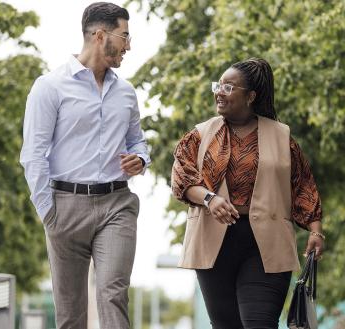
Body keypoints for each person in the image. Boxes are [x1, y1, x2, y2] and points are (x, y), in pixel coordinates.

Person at [19, 3, 149, 328]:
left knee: (112, 293)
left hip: (116, 205)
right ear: (100, 35)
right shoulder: (49, 87)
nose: (129, 45)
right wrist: (49, 214)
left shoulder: (126, 94)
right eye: (125, 36)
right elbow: (33, 155)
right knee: (70, 312)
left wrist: (141, 159)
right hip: (65, 208)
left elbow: (138, 141)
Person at [171, 57, 324, 329]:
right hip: (213, 243)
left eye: (229, 87)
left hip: (266, 244)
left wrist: (315, 231)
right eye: (218, 86)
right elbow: (182, 177)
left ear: (251, 96)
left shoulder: (281, 136)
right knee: (226, 325)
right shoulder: (200, 134)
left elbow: (303, 185)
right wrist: (209, 198)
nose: (219, 92)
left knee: (260, 323)